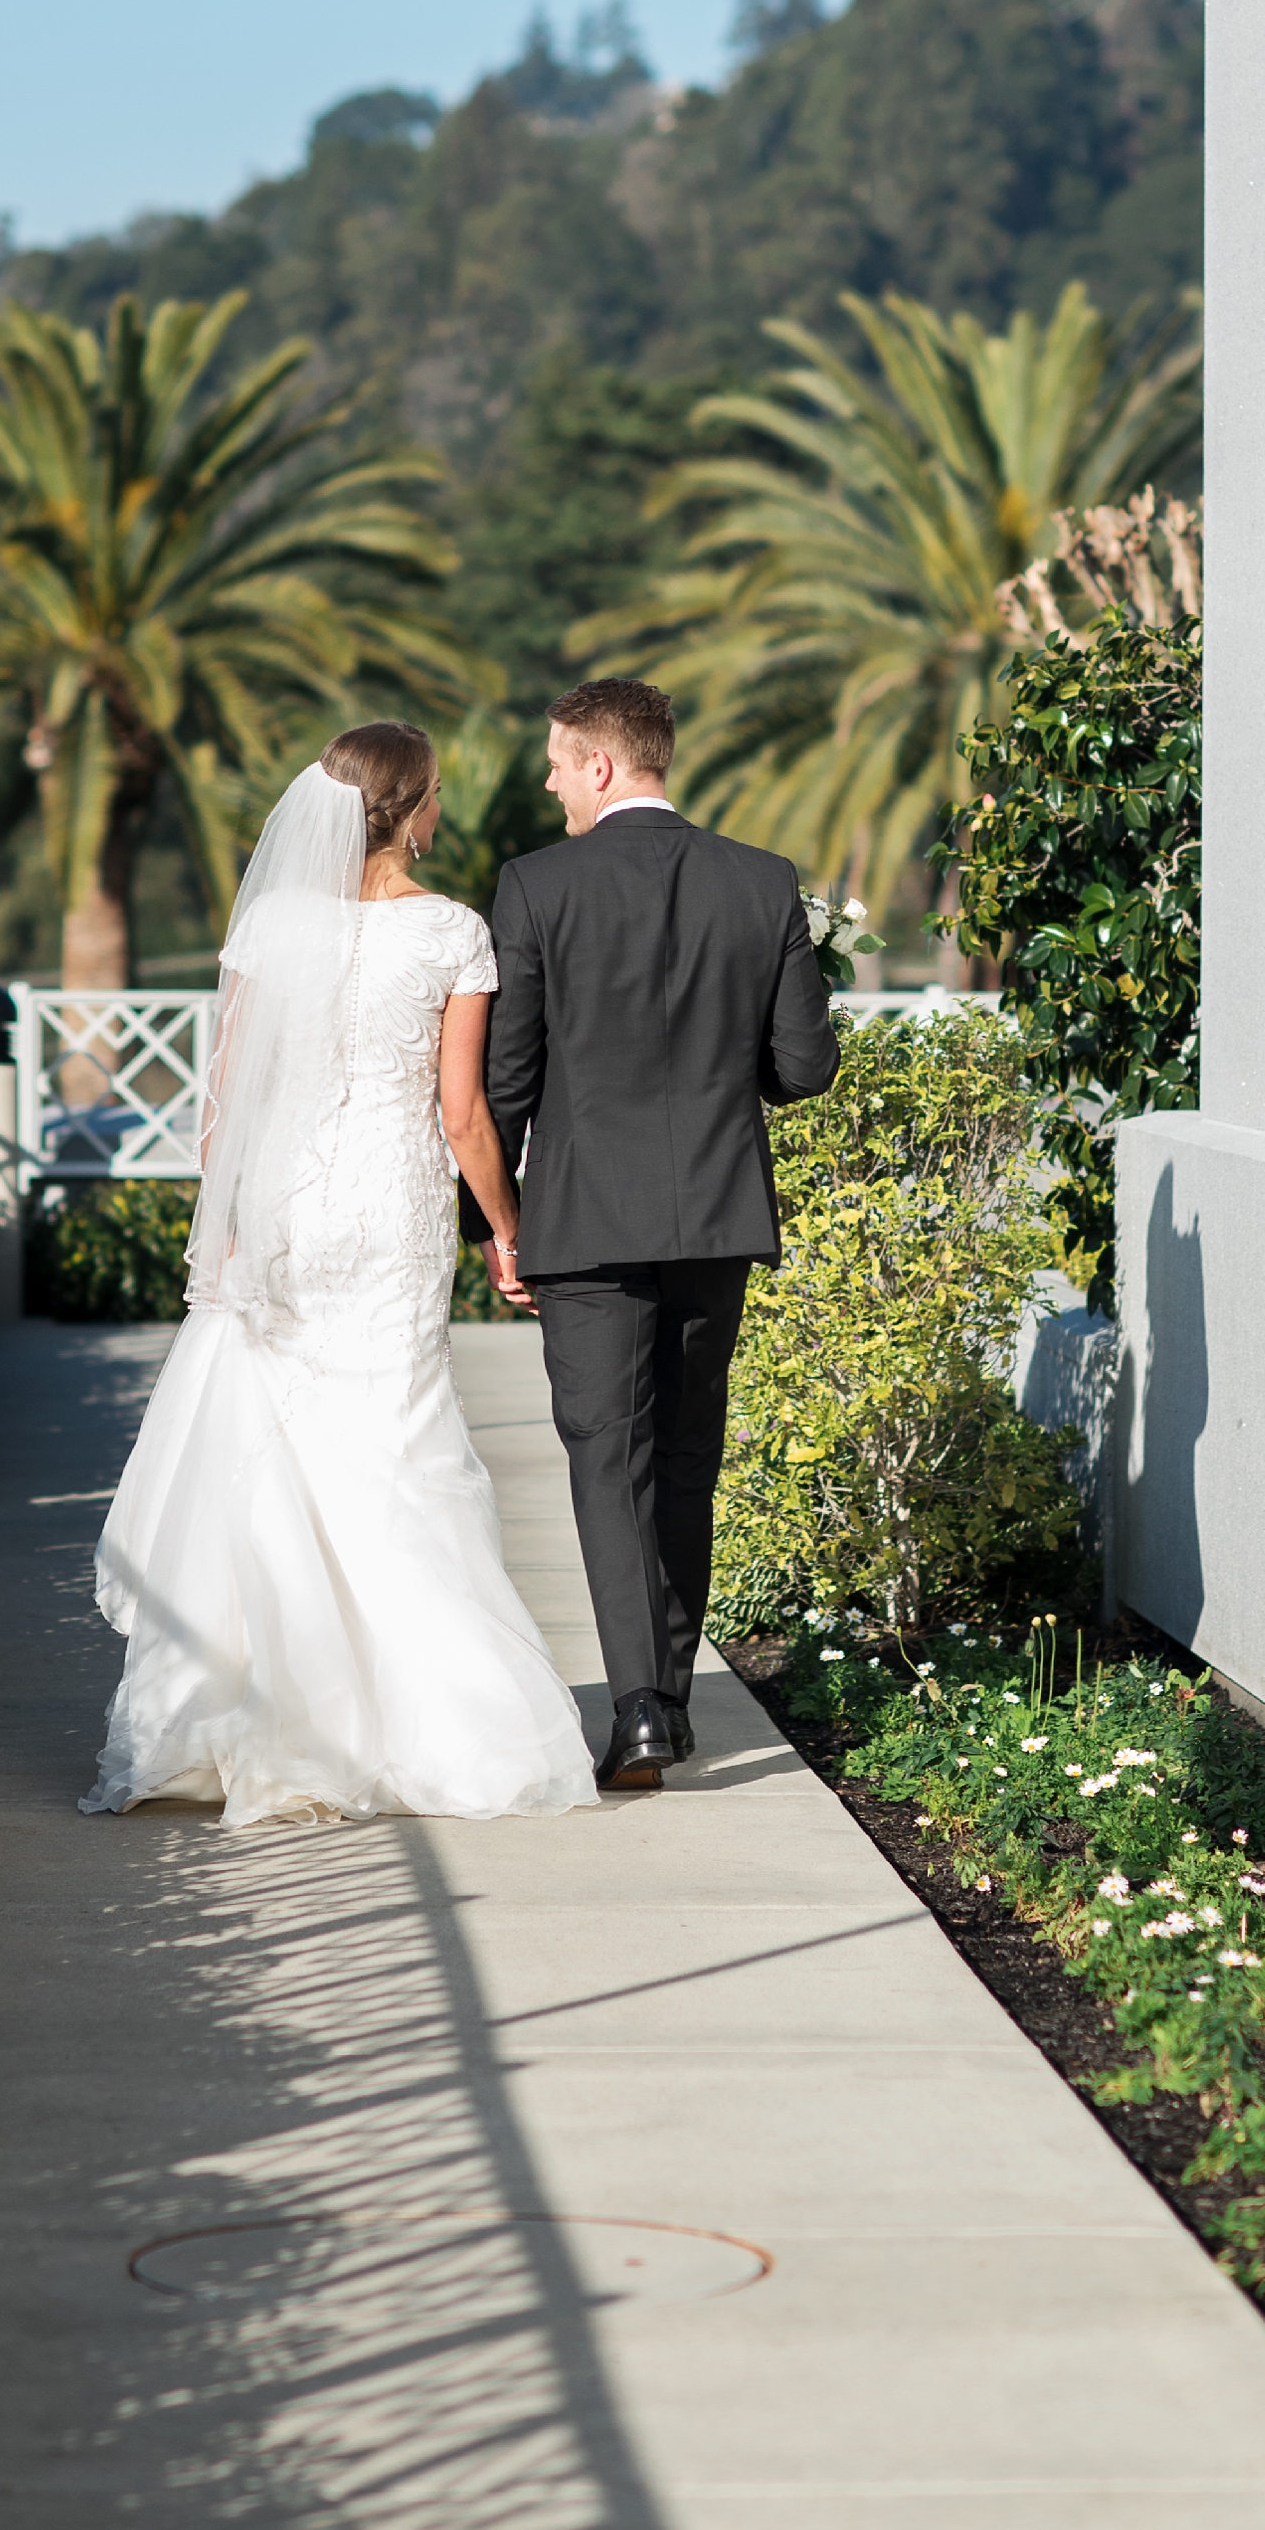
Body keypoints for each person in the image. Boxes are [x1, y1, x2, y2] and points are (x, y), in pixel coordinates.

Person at [81, 722, 596, 1828]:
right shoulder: (454, 931)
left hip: (280, 1207)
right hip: (390, 1210)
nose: (444, 809)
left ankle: (249, 1718)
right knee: (398, 1437)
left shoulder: (269, 923)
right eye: (439, 793)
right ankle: (431, 1728)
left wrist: (219, 1223)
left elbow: (221, 1095)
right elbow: (462, 1115)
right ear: (410, 809)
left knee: (273, 1447)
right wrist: (506, 1228)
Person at [473, 678, 840, 1791]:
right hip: (718, 1215)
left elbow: (507, 1076)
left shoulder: (534, 886)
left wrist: (496, 1222)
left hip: (581, 1223)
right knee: (685, 1455)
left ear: (598, 764)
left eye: (553, 759)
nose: (545, 779)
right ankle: (667, 1700)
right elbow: (806, 1067)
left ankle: (636, 1705)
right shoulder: (763, 880)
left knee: (607, 1457)